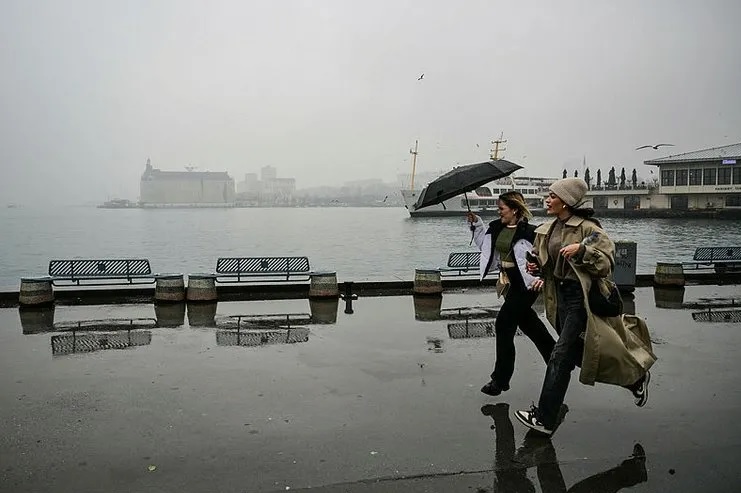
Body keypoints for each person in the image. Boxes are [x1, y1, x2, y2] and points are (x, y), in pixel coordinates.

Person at [514, 177, 656, 436]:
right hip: (557, 298)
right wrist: (537, 267)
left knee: (560, 355)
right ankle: (635, 379)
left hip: (580, 299)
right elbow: (548, 266)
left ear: (567, 201)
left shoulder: (589, 230)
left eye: (552, 195)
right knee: (576, 356)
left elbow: (606, 265)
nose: (547, 199)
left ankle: (544, 419)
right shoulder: (548, 229)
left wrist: (582, 250)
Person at [467, 191, 556, 397]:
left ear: (514, 209)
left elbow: (545, 259)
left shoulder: (531, 233)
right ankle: (558, 360)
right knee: (531, 326)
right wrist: (476, 224)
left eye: (502, 209)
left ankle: (499, 380)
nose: (499, 212)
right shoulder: (496, 228)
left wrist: (541, 278)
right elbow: (485, 247)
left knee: (503, 324)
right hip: (508, 282)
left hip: (525, 285)